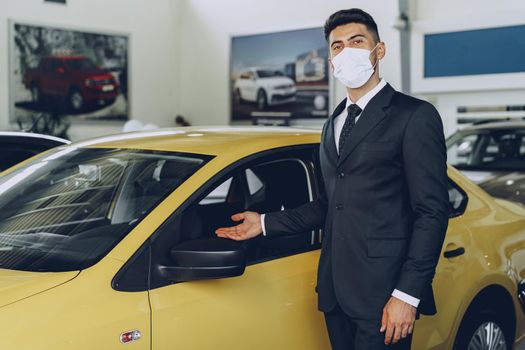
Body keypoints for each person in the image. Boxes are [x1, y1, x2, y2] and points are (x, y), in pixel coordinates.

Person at [215, 8, 449, 350]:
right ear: (330, 61)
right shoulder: (333, 123)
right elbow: (331, 204)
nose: (346, 51)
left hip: (385, 294)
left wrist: (407, 295)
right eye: (337, 46)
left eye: (357, 41)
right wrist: (263, 223)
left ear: (378, 50)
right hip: (335, 293)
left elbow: (431, 211)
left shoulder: (413, 116)